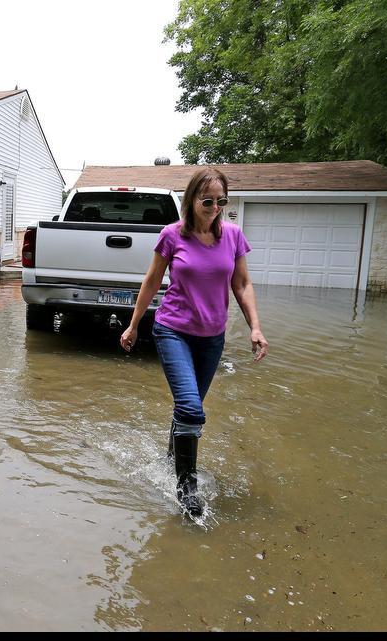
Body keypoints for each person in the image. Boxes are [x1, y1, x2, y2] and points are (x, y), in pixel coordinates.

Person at [120, 167, 268, 516]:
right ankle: (187, 487)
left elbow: (242, 284)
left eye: (221, 201)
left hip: (212, 337)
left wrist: (255, 327)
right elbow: (152, 281)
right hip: (173, 330)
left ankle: (172, 456)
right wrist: (133, 325)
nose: (215, 207)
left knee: (189, 407)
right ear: (191, 200)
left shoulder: (232, 236)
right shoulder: (172, 235)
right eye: (207, 201)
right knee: (191, 408)